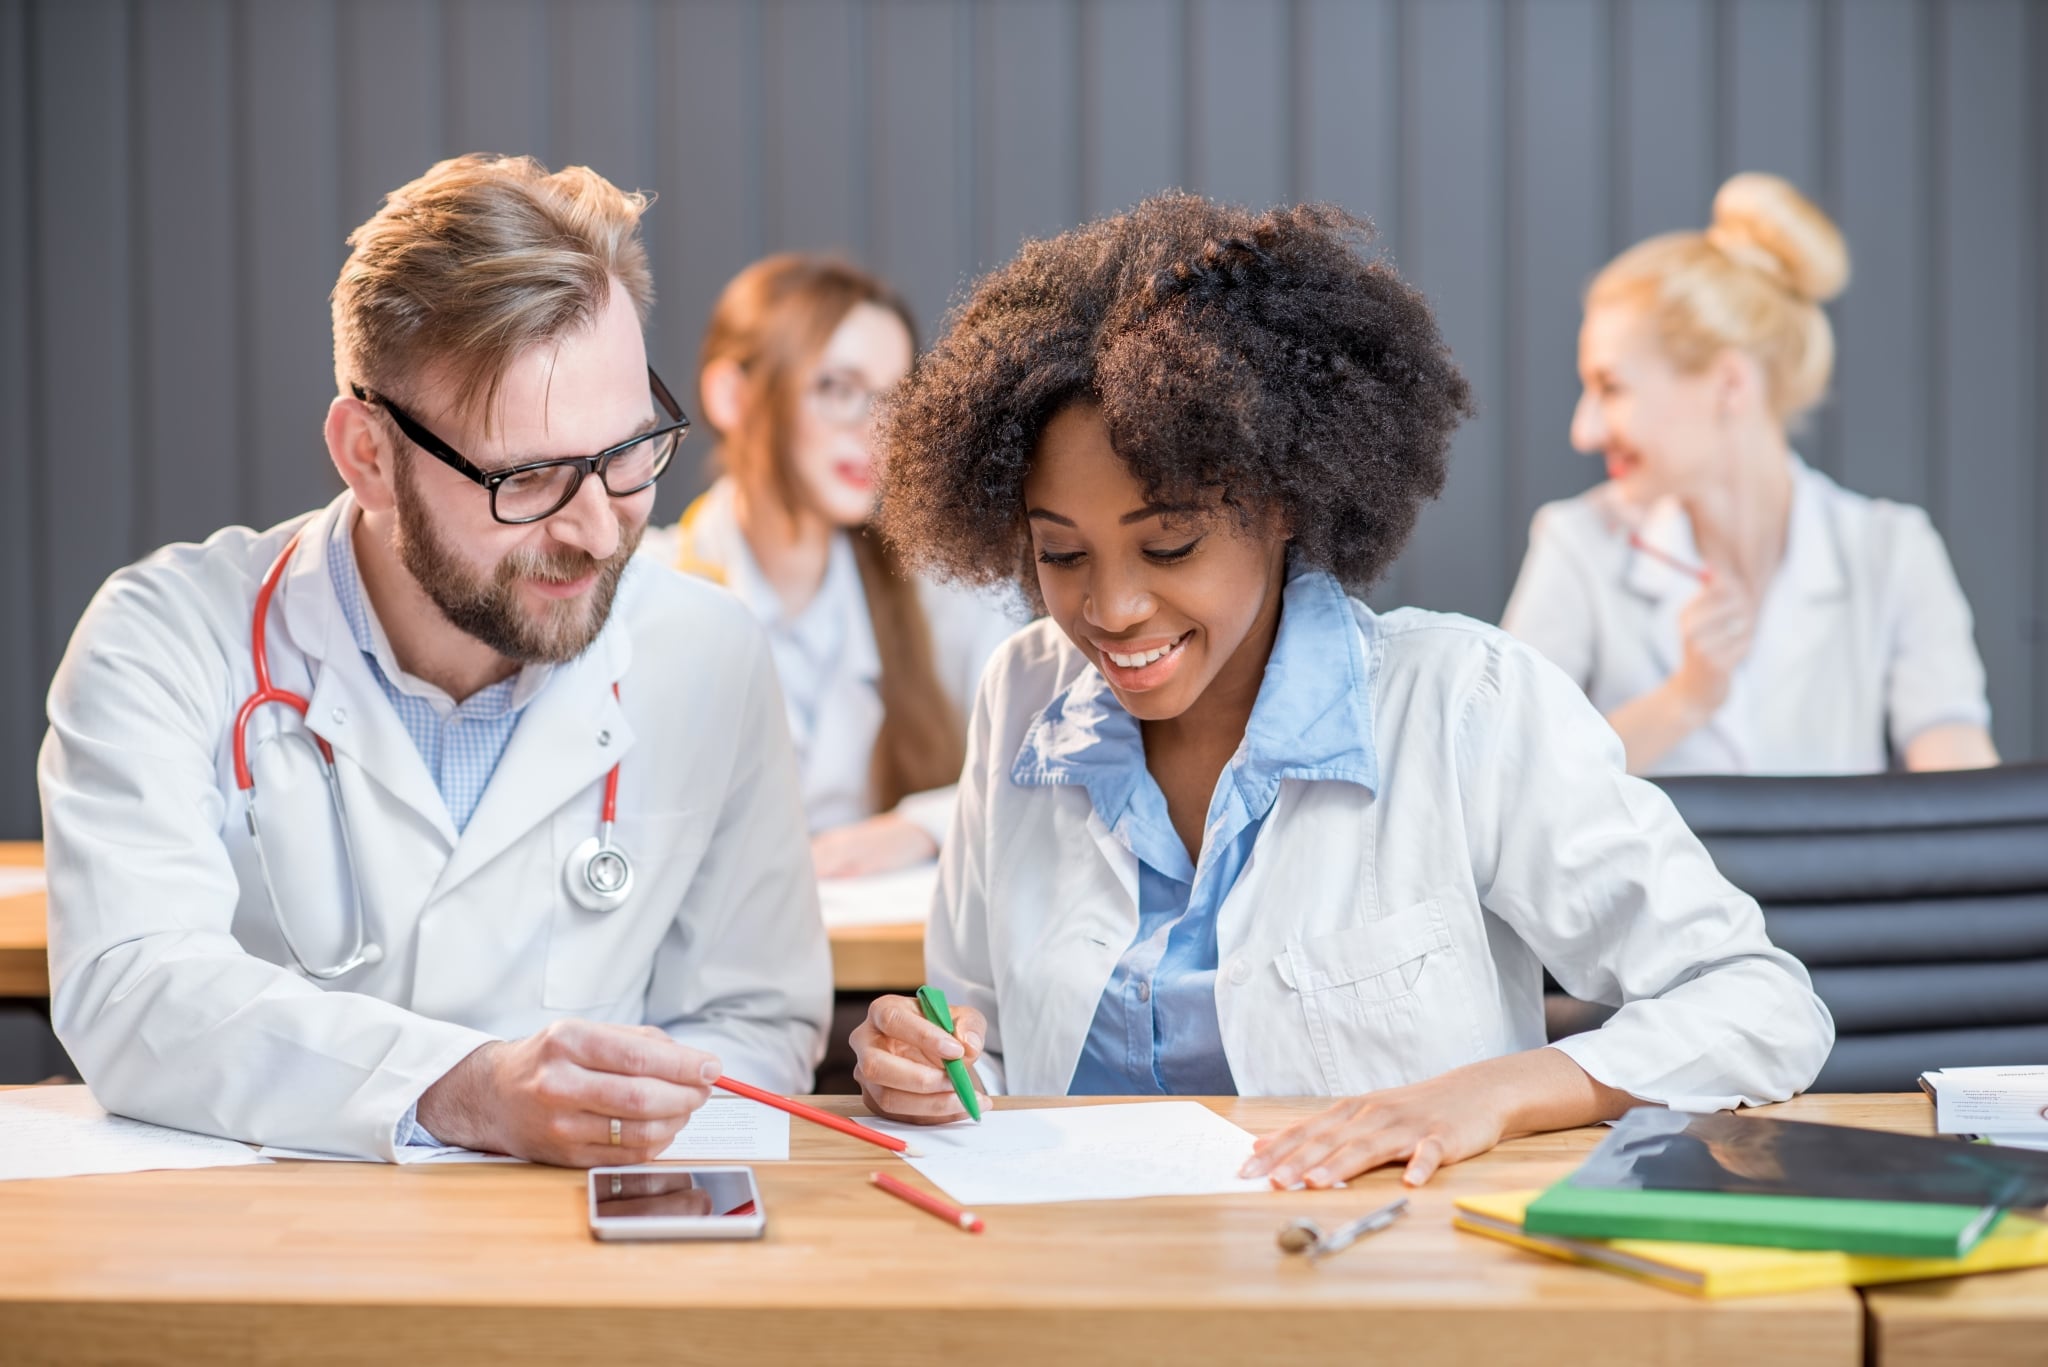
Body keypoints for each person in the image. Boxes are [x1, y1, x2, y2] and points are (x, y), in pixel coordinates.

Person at [847, 194, 1832, 1189]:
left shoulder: (1461, 703)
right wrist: (929, 1063)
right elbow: (985, 1035)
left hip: (1367, 1286)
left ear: (1279, 501)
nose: (1110, 605)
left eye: (1168, 543)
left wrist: (1488, 1092)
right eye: (1060, 552)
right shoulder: (1023, 693)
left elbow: (1756, 1004)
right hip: (1074, 1278)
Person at [38, 155, 830, 1164]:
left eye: (629, 450)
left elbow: (753, 1021)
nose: (597, 529)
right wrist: (466, 1092)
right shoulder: (166, 636)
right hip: (265, 1256)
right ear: (368, 453)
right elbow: (135, 984)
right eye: (530, 476)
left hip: (577, 1257)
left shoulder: (708, 654)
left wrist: (634, 1116)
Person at [1501, 172, 1997, 776]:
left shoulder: (1892, 552)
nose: (1585, 431)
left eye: (1611, 388)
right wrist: (1686, 698)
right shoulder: (1575, 544)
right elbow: (1511, 776)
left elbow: (1962, 785)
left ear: (1730, 385)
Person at [641, 255, 1020, 877]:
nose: (876, 433)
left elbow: (1038, 766)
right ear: (731, 395)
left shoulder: (943, 589)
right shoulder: (646, 589)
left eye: (895, 400)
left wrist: (916, 828)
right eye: (838, 389)